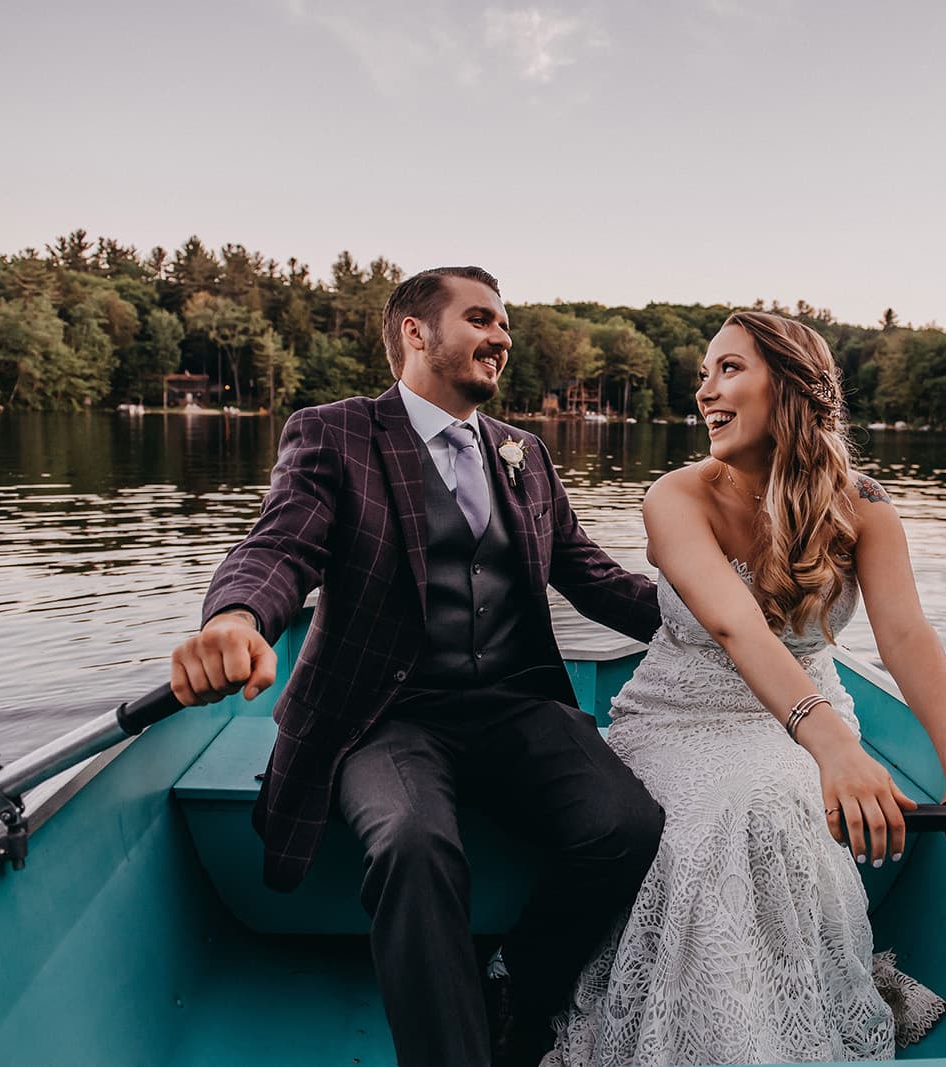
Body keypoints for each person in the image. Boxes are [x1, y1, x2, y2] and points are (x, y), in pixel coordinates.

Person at [168, 266, 665, 1067]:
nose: (501, 336)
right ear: (414, 331)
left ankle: (514, 982)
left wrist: (722, 621)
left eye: (505, 323)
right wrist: (235, 615)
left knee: (627, 825)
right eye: (480, 318)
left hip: (513, 702)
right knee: (413, 843)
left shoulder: (524, 453)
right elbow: (280, 545)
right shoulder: (336, 433)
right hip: (382, 713)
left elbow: (594, 577)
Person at [546, 311, 946, 1064]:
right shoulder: (675, 497)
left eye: (729, 369)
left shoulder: (864, 505)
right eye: (704, 373)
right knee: (738, 812)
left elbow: (906, 636)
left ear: (788, 384)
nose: (705, 391)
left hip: (805, 719)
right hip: (685, 717)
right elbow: (737, 629)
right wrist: (837, 748)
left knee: (775, 798)